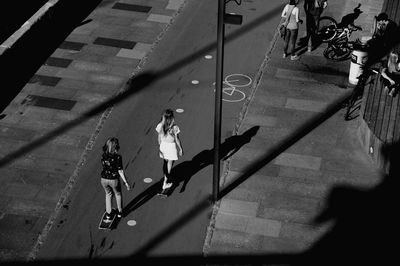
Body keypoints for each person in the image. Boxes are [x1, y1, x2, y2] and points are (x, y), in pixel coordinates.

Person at [100, 137, 130, 221]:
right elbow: (120, 171)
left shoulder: (103, 155)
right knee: (118, 194)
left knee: (108, 194)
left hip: (103, 179)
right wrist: (126, 182)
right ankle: (120, 212)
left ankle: (108, 213)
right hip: (113, 179)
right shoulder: (118, 157)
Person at [156, 109, 183, 192]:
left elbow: (159, 138)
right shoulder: (174, 127)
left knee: (165, 163)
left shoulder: (160, 125)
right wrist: (181, 149)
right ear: (171, 118)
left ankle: (166, 176)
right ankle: (165, 182)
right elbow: (177, 139)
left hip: (163, 146)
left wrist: (160, 146)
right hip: (171, 147)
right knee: (170, 163)